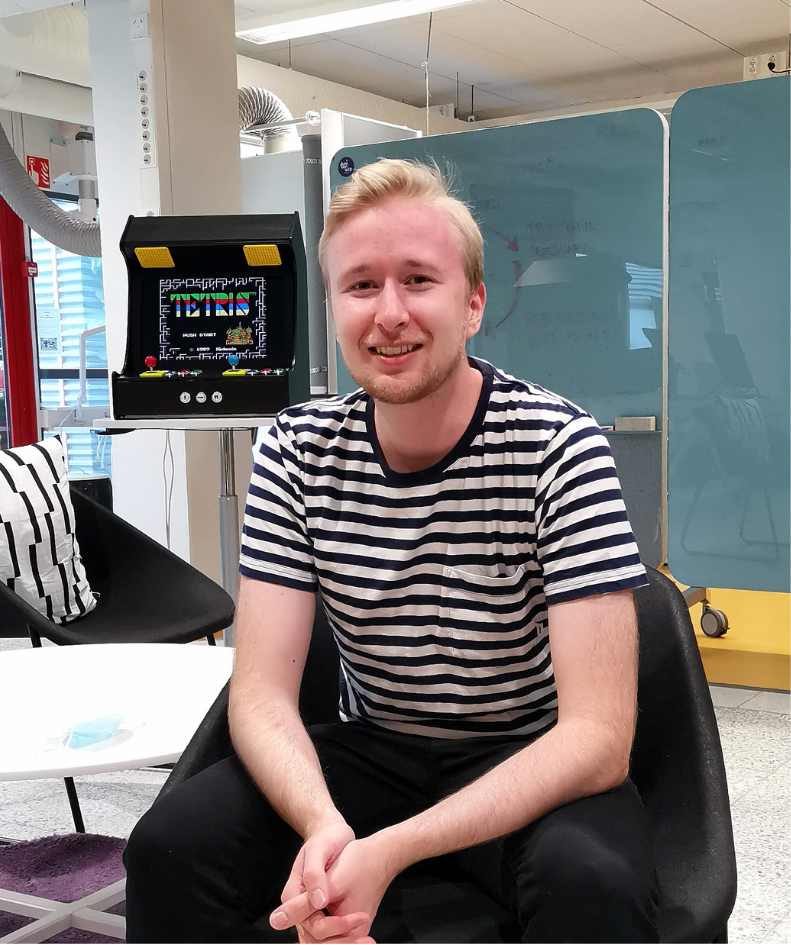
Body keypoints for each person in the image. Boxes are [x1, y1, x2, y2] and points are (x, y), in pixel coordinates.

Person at [124, 159, 659, 944]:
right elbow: (262, 695)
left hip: (524, 748)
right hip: (370, 748)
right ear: (334, 307)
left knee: (594, 884)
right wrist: (323, 825)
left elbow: (598, 737)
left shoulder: (559, 446)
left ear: (473, 304)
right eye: (361, 285)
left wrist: (391, 849)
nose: (389, 313)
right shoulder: (296, 449)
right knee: (169, 849)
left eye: (418, 279)